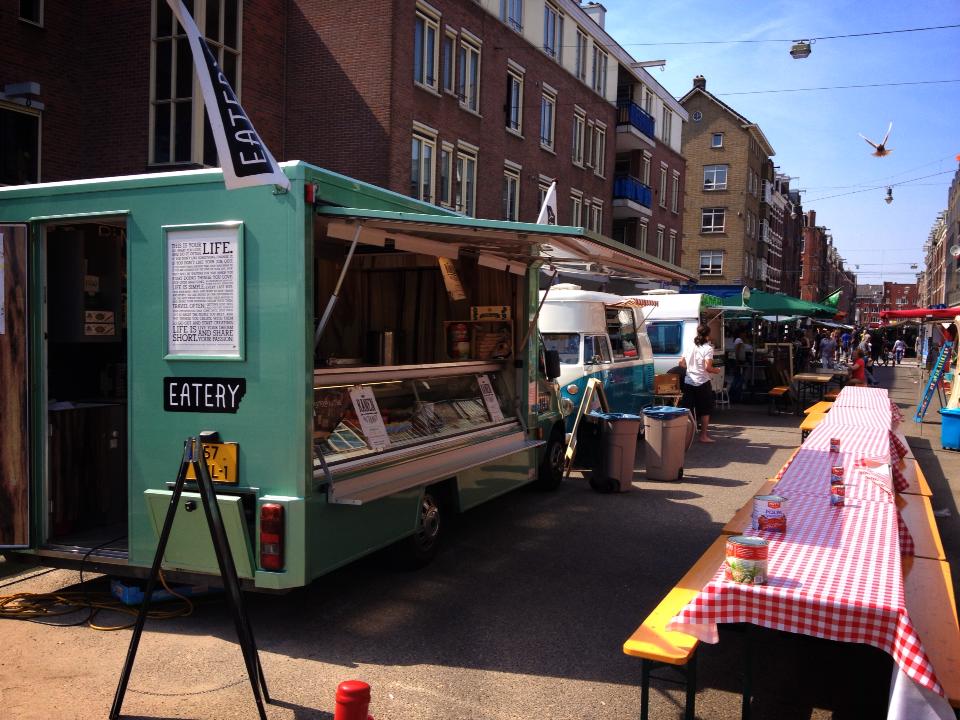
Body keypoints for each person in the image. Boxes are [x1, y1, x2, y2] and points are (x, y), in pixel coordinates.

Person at [679, 324, 721, 443]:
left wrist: (690, 368)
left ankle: (683, 435)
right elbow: (708, 368)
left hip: (689, 381)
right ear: (708, 335)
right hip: (702, 382)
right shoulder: (708, 348)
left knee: (686, 409)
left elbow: (681, 363)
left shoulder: (689, 346)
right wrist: (716, 370)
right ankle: (703, 436)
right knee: (705, 410)